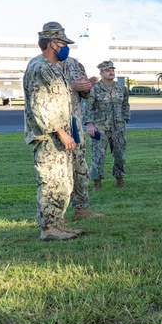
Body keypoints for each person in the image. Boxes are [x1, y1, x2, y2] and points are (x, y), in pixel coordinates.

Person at [23, 22, 83, 241]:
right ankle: (48, 228)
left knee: (63, 182)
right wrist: (61, 132)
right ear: (51, 44)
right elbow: (41, 106)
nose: (65, 47)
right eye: (62, 43)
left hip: (60, 135)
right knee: (51, 182)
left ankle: (57, 223)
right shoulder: (40, 67)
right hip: (50, 137)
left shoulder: (53, 68)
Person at [62, 55, 103, 218]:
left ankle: (82, 209)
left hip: (74, 123)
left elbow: (84, 94)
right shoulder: (42, 65)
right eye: (58, 42)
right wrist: (71, 86)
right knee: (57, 173)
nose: (62, 46)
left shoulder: (75, 64)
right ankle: (56, 216)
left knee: (80, 167)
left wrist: (86, 88)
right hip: (54, 125)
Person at [84, 60, 131, 190]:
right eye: (108, 70)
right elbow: (87, 106)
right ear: (101, 72)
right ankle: (97, 183)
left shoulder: (121, 88)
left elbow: (125, 105)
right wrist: (89, 124)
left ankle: (119, 179)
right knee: (98, 156)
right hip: (99, 128)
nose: (111, 72)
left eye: (112, 70)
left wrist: (125, 118)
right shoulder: (94, 89)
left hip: (118, 128)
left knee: (120, 155)